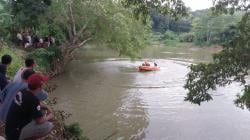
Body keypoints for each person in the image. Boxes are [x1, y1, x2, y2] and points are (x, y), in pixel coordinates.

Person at [5, 73, 54, 140]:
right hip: (15, 134)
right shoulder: (33, 100)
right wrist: (50, 116)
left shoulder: (23, 91)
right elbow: (39, 121)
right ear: (40, 86)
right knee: (49, 126)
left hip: (9, 129)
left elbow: (36, 103)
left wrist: (46, 107)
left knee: (39, 113)